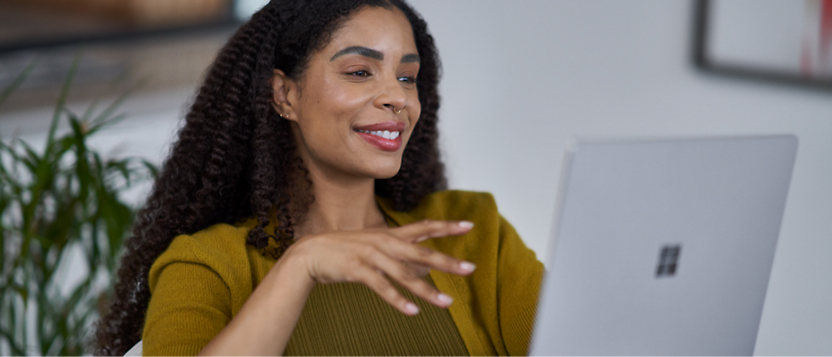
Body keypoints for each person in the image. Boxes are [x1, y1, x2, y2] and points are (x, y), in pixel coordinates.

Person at [94, 0, 544, 356]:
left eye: (407, 77)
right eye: (360, 72)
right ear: (284, 94)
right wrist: (300, 266)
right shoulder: (207, 263)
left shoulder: (471, 229)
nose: (397, 98)